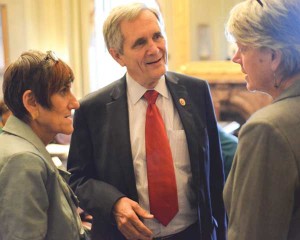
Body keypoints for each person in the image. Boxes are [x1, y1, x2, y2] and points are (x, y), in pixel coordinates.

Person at [67, 2, 227, 240]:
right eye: (140, 43)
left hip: (193, 233)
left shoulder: (196, 91)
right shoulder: (93, 109)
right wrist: (114, 204)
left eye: (157, 36)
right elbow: (77, 180)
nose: (155, 49)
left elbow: (215, 174)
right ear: (117, 55)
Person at [223, 0, 300, 239]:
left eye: (243, 48)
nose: (236, 58)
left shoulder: (267, 129)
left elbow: (252, 232)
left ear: (274, 57)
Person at [0, 50, 87, 240]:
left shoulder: (23, 150)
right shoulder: (23, 161)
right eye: (63, 91)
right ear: (31, 102)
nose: (74, 103)